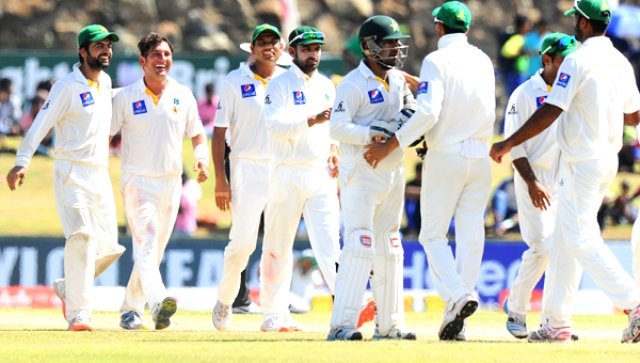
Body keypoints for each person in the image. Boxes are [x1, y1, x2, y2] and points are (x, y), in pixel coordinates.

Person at [490, 0, 640, 343]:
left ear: (585, 24)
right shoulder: (619, 61)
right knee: (562, 241)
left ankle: (634, 303)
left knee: (580, 237)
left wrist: (506, 143)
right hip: (606, 159)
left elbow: (552, 111)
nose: (574, 25)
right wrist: (600, 106)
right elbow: (633, 116)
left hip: (581, 162)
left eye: (577, 20)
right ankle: (556, 323)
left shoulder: (576, 60)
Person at [364, 1, 496, 341]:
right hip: (480, 155)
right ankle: (458, 319)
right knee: (470, 235)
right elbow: (461, 99)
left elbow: (428, 112)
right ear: (465, 28)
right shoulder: (482, 59)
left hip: (447, 154)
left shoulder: (436, 60)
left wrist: (393, 144)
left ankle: (457, 296)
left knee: (432, 235)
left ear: (439, 28)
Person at [5, 24, 125, 331]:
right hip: (71, 171)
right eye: (99, 46)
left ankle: (68, 286)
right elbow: (41, 124)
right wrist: (22, 161)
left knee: (111, 247)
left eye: (108, 46)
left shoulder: (106, 82)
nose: (106, 51)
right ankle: (79, 314)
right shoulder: (66, 86)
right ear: (83, 51)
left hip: (99, 174)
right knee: (81, 237)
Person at [111, 32, 209, 330]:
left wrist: (202, 158)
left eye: (166, 54)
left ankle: (130, 310)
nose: (162, 60)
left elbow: (197, 133)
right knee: (148, 241)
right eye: (156, 55)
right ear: (143, 61)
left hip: (170, 183)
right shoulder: (126, 97)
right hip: (138, 181)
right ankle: (158, 302)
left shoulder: (183, 94)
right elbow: (105, 135)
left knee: (152, 251)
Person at [328, 15, 416, 341]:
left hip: (393, 171)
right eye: (389, 43)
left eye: (397, 42)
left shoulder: (397, 80)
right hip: (360, 175)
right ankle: (342, 327)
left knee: (391, 246)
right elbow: (336, 128)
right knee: (360, 244)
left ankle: (390, 326)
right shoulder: (352, 84)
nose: (395, 48)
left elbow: (412, 113)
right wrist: (371, 132)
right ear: (369, 47)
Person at [258, 25, 342, 332]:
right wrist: (312, 119)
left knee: (331, 244)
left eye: (317, 49)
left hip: (321, 174)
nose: (314, 54)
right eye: (307, 49)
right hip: (287, 172)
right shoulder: (279, 85)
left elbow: (335, 128)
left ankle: (346, 307)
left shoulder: (327, 85)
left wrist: (335, 149)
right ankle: (273, 314)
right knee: (278, 246)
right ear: (292, 51)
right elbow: (274, 125)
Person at [500, 32, 577, 339]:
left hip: (565, 182)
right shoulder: (524, 93)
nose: (570, 68)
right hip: (531, 178)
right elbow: (513, 146)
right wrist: (532, 183)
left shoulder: (573, 91)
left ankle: (554, 322)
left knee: (565, 250)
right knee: (542, 246)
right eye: (564, 62)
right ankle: (517, 309)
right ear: (547, 60)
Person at [211, 24, 286, 330]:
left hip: (283, 167)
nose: (268, 47)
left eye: (273, 42)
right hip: (246, 166)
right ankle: (226, 299)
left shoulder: (288, 79)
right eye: (262, 43)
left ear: (281, 48)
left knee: (278, 243)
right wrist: (220, 180)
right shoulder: (234, 80)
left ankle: (275, 312)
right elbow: (219, 134)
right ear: (252, 49)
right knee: (242, 243)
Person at [173, 171, 203, 237]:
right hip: (190, 226)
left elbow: (179, 210)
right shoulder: (192, 185)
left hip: (181, 228)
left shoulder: (182, 192)